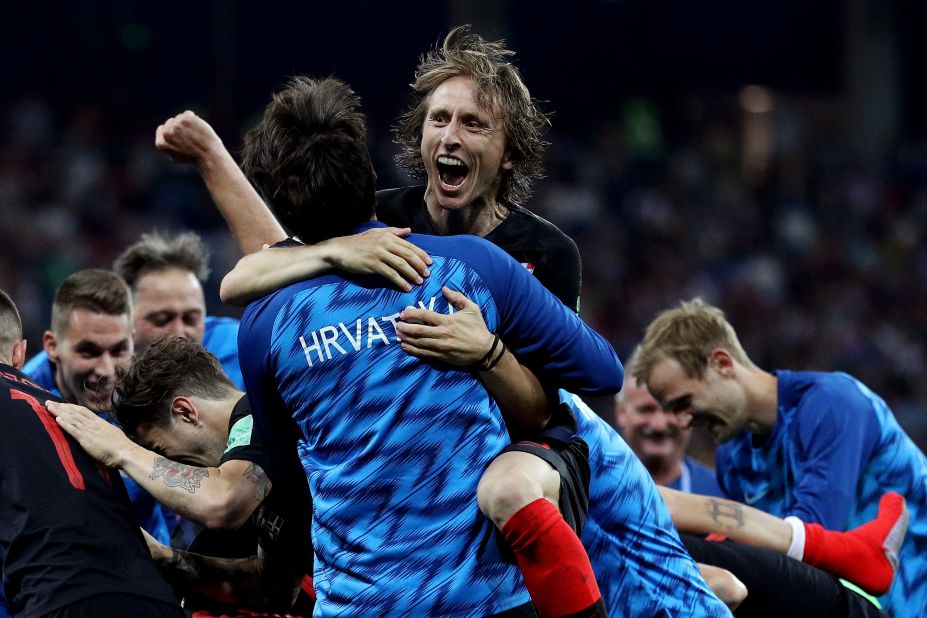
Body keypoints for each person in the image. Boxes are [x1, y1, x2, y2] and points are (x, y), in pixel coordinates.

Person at [161, 29, 729, 615]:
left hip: (528, 445)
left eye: (474, 124)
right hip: (426, 481)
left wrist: (485, 355)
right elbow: (257, 273)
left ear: (509, 153)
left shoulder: (542, 252)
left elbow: (544, 406)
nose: (450, 136)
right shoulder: (378, 213)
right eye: (439, 119)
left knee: (514, 490)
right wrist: (333, 252)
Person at [633, 298, 927, 616]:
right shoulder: (733, 458)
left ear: (722, 363)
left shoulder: (834, 403)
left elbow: (808, 539)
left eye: (684, 402)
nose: (684, 421)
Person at [46, 335, 313, 617]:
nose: (172, 467)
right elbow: (275, 590)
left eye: (163, 453)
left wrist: (122, 450)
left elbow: (223, 502)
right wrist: (163, 556)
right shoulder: (268, 466)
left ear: (185, 412)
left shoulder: (261, 416)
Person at [0, 288, 184, 618]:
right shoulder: (78, 416)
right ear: (19, 353)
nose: (104, 369)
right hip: (156, 598)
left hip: (55, 599)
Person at [20, 269, 171, 543]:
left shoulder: (156, 390)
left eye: (118, 350)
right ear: (52, 346)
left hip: (156, 568)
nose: (105, 370)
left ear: (132, 340)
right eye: (88, 352)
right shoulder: (21, 410)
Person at [614, 369, 723, 496]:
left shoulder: (720, 496)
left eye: (671, 410)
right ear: (621, 412)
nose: (659, 425)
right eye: (646, 410)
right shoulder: (591, 488)